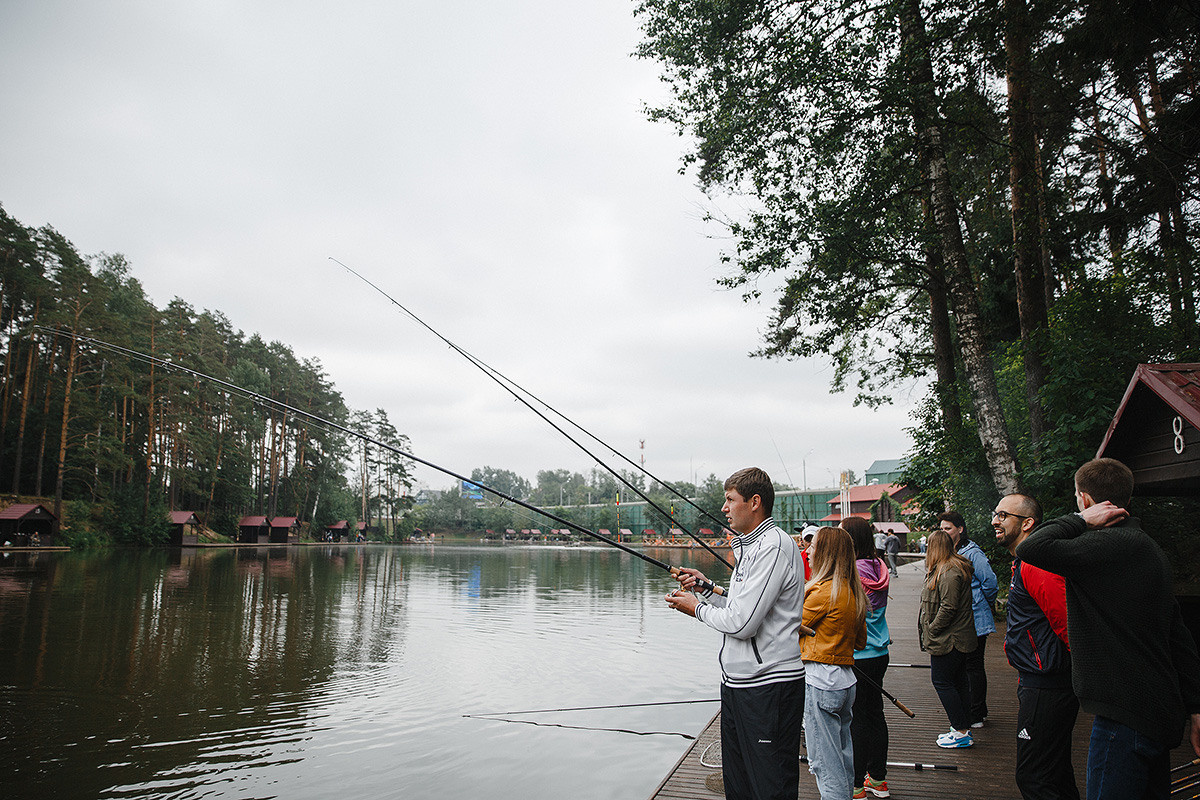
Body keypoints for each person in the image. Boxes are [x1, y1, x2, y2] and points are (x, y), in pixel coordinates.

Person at [1017, 458, 1200, 800]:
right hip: (1155, 710)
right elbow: (1178, 634)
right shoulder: (1146, 546)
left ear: (1086, 499)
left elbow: (1031, 547)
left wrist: (1079, 520)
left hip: (1123, 716)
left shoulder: (1108, 546)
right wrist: (1196, 706)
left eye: (1078, 500)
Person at [666, 467, 807, 800]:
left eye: (730, 500)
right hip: (739, 686)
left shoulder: (772, 547)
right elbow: (740, 606)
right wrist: (707, 590)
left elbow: (743, 624)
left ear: (754, 502)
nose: (724, 508)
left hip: (768, 687)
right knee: (739, 783)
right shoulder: (753, 547)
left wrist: (695, 608)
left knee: (769, 785)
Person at [994, 493, 1079, 800]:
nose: (995, 520)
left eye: (1004, 515)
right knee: (1055, 772)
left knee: (1034, 778)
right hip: (1039, 681)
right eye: (996, 514)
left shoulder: (1036, 565)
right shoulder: (1024, 563)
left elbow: (1069, 623)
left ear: (1027, 524)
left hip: (1049, 686)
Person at [801, 526, 868, 800]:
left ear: (826, 553)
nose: (807, 552)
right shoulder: (853, 592)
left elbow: (784, 626)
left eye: (813, 547)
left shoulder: (821, 593)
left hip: (821, 682)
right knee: (842, 758)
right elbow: (860, 642)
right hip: (844, 682)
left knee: (825, 767)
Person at [841, 516, 892, 799]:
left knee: (857, 718)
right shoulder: (878, 566)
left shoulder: (853, 572)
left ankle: (857, 783)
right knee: (875, 714)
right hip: (880, 650)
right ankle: (879, 779)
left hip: (858, 653)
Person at [937, 511, 998, 727]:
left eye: (948, 528)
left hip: (976, 619)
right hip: (960, 621)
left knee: (973, 665)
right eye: (941, 528)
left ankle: (977, 714)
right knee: (962, 666)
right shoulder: (949, 552)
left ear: (960, 529)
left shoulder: (972, 553)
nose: (944, 532)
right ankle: (970, 710)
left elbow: (990, 582)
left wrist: (982, 603)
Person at [918, 529, 977, 748]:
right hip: (954, 637)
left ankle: (961, 730)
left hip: (950, 639)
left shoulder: (950, 572)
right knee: (958, 681)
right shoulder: (946, 568)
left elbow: (949, 606)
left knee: (942, 682)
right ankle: (962, 728)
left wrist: (933, 629)